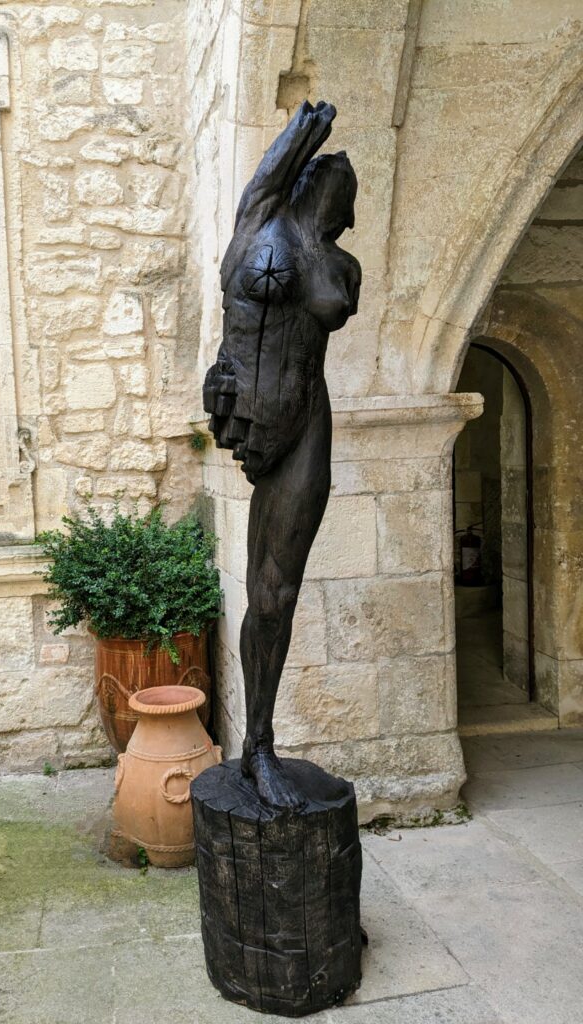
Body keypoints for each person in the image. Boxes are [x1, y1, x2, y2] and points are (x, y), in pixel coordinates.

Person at [203, 100, 361, 809]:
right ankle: (255, 748)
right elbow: (266, 179)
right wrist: (306, 128)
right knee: (263, 590)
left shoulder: (342, 264)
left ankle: (259, 745)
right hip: (254, 417)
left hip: (306, 424)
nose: (346, 204)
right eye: (337, 185)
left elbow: (324, 310)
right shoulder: (260, 223)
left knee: (277, 593)